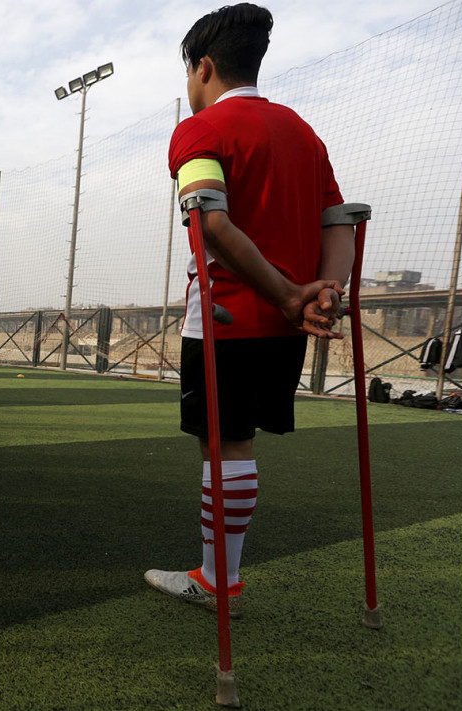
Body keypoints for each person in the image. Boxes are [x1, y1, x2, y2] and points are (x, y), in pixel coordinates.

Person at [143, 3, 354, 618]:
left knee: (225, 444)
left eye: (188, 74)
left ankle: (217, 581)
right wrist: (323, 292)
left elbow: (210, 222)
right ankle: (220, 575)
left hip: (227, 315)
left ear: (204, 68)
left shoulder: (200, 130)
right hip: (287, 322)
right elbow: (337, 221)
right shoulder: (303, 132)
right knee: (240, 443)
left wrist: (288, 294)